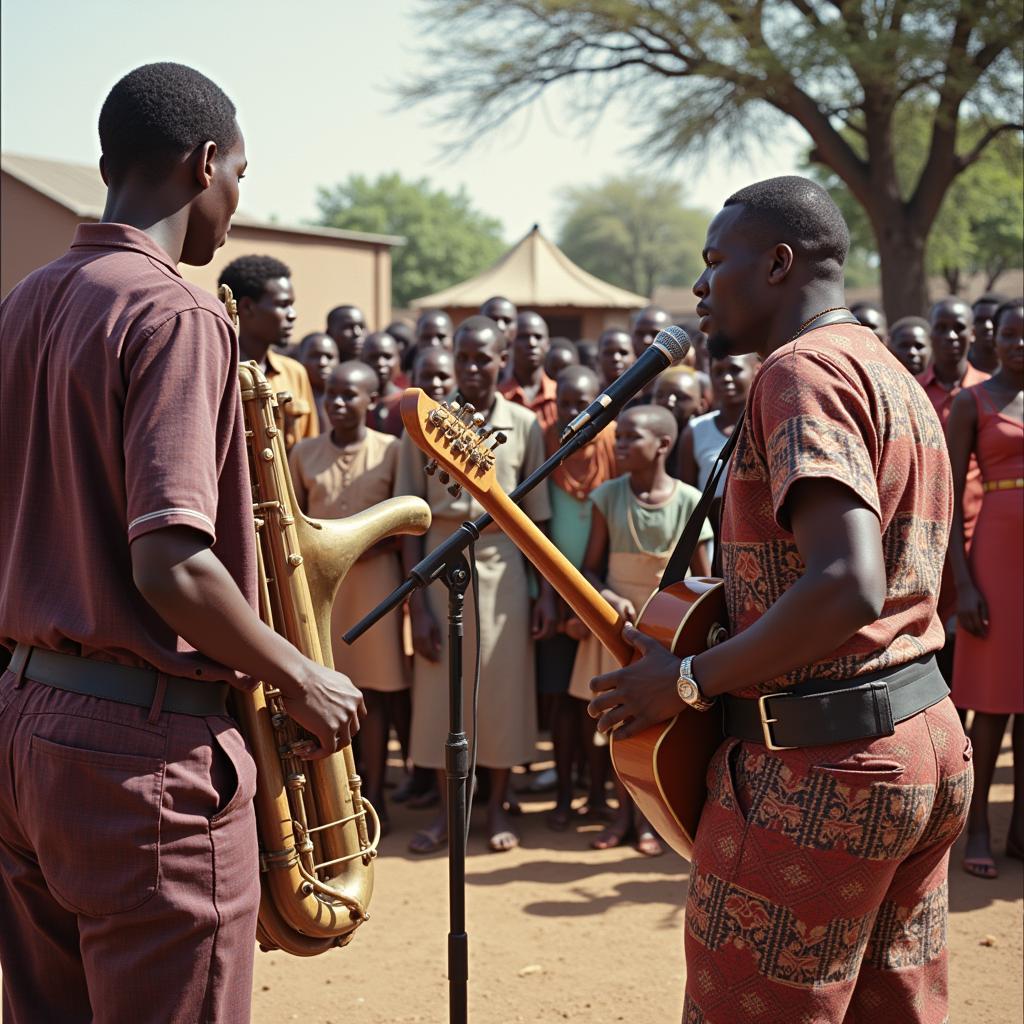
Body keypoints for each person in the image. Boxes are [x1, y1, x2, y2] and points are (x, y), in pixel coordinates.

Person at [0, 62, 364, 1024]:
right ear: (206, 163)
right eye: (241, 173)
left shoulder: (27, 300)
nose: (238, 203)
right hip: (143, 757)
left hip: (26, 729)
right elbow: (172, 563)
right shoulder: (180, 308)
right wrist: (300, 674)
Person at [589, 176, 970, 1022]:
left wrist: (687, 678)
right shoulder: (894, 376)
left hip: (826, 769)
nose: (699, 286)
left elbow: (847, 581)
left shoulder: (796, 373)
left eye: (714, 260)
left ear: (779, 264)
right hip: (924, 745)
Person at [396, 316, 555, 854]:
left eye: (481, 358)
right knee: (443, 698)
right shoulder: (423, 424)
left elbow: (537, 519)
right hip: (439, 572)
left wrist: (545, 593)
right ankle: (447, 816)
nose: (470, 368)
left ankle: (494, 811)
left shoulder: (524, 424)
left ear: (501, 357)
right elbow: (408, 522)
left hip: (504, 570)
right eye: (462, 358)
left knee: (502, 692)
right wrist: (416, 608)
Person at [568, 405, 712, 856]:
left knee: (655, 729)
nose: (620, 444)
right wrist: (607, 595)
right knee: (613, 725)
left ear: (663, 446)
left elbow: (707, 583)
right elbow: (589, 569)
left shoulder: (690, 501)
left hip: (666, 636)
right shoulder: (606, 497)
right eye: (619, 437)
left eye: (631, 437)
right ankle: (619, 815)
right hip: (617, 630)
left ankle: (652, 819)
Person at [290, 361, 408, 835]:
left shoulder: (392, 452)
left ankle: (372, 795)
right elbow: (294, 522)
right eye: (331, 395)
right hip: (320, 591)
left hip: (375, 583)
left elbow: (403, 522)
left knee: (373, 696)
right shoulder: (302, 453)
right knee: (320, 691)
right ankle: (332, 799)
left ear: (370, 401)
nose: (337, 403)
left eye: (349, 395)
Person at [946, 297, 1024, 879]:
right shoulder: (972, 402)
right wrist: (963, 585)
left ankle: (1020, 829)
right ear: (991, 339)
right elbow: (946, 502)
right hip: (995, 555)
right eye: (1011, 336)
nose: (1019, 346)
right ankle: (975, 828)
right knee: (990, 707)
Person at [538, 366, 618, 830]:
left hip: (603, 596)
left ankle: (600, 795)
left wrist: (595, 600)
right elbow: (535, 526)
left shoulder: (614, 450)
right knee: (563, 706)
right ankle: (565, 796)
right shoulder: (545, 448)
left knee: (600, 702)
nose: (575, 412)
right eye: (566, 403)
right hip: (553, 595)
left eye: (584, 403)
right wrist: (550, 598)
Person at [920, 296, 990, 685]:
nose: (950, 336)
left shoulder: (989, 391)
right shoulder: (911, 391)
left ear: (973, 333)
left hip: (979, 541)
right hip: (928, 547)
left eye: (959, 327)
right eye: (942, 328)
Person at [218, 254, 318, 450]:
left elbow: (310, 452)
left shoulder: (295, 373)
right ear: (247, 307)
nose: (292, 314)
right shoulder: (220, 372)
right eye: (283, 304)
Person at [678, 353, 758, 497]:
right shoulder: (696, 430)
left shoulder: (765, 425)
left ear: (756, 370)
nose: (726, 378)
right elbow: (687, 497)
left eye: (735, 370)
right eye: (718, 372)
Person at [499, 310, 558, 432]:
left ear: (547, 344)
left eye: (538, 337)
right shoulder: (500, 398)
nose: (531, 343)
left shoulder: (559, 397)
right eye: (523, 337)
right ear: (511, 344)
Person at [653, 366, 708, 480]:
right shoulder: (643, 440)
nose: (668, 402)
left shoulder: (706, 440)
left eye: (681, 397)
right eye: (659, 395)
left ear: (701, 405)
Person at [360, 330, 403, 435]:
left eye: (387, 357)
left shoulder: (407, 401)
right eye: (373, 357)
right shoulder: (355, 401)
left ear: (399, 360)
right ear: (362, 360)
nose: (380, 363)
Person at [297, 331, 340, 432]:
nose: (322, 363)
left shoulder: (345, 401)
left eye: (329, 357)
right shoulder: (291, 398)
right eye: (314, 356)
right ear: (300, 359)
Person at [969, 293, 1006, 374]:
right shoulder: (956, 371)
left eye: (993, 319)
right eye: (980, 320)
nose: (987, 326)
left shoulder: (1018, 374)